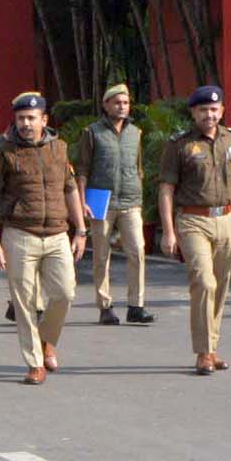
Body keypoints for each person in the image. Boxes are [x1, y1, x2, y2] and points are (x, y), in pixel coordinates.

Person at [0, 92, 88, 385]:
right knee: (24, 301)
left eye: (31, 118)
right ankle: (35, 363)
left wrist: (80, 230)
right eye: (20, 119)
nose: (26, 124)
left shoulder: (59, 148)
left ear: (44, 120)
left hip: (57, 233)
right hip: (20, 234)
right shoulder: (3, 150)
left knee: (65, 293)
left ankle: (46, 340)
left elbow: (70, 189)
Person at [158, 86, 231, 377]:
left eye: (214, 110)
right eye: (203, 110)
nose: (209, 115)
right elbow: (166, 190)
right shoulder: (180, 144)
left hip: (226, 219)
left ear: (222, 111)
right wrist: (168, 232)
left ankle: (212, 347)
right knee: (204, 282)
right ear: (193, 112)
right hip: (193, 220)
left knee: (221, 285)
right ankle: (203, 352)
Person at [80, 83, 153, 326]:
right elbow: (82, 169)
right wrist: (82, 201)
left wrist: (140, 196)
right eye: (117, 102)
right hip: (101, 201)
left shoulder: (136, 132)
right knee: (101, 256)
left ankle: (136, 306)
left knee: (137, 251)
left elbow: (138, 167)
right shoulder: (92, 132)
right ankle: (105, 306)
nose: (122, 107)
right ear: (106, 105)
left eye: (126, 103)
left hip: (131, 201)